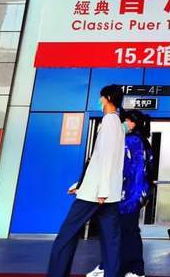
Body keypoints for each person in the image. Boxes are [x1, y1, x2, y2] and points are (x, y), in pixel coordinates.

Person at [48, 85, 125, 277]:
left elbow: (106, 158)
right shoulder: (117, 123)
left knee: (67, 235)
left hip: (95, 194)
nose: (99, 101)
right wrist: (81, 185)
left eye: (101, 97)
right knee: (111, 240)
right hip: (108, 193)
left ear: (108, 98)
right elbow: (103, 161)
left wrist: (102, 190)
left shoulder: (109, 121)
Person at [86, 110, 154, 277]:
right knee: (128, 231)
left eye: (124, 121)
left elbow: (122, 168)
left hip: (128, 194)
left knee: (121, 231)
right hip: (135, 193)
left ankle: (121, 268)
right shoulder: (143, 142)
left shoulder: (130, 140)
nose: (121, 124)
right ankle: (129, 268)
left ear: (132, 123)